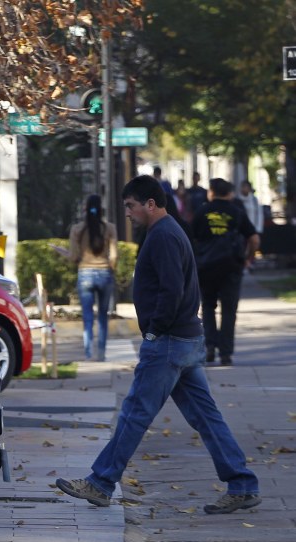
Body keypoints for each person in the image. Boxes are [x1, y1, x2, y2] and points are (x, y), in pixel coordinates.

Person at [57, 175, 261, 515]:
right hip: (185, 339)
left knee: (135, 413)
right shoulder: (168, 231)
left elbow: (171, 289)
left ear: (150, 204)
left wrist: (154, 330)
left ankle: (101, 481)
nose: (128, 213)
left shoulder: (163, 236)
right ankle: (242, 484)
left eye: (131, 206)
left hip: (169, 341)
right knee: (206, 417)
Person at [192, 178, 260, 365]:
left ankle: (209, 347)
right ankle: (226, 353)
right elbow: (254, 239)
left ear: (211, 192)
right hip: (231, 267)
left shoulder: (202, 212)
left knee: (207, 307)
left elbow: (191, 238)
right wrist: (247, 258)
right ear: (229, 193)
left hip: (206, 267)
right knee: (229, 310)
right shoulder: (237, 212)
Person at [68, 194, 118, 361]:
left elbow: (74, 257)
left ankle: (89, 354)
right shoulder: (109, 228)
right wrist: (111, 270)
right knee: (103, 317)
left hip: (85, 274)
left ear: (85, 209)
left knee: (88, 317)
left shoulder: (77, 230)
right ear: (101, 209)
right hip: (105, 274)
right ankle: (101, 354)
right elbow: (114, 257)